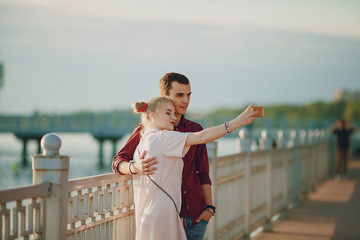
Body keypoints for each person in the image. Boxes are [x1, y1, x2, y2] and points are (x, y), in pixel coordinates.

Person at [129, 96, 257, 240]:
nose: (173, 117)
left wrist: (131, 167)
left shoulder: (143, 141)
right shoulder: (163, 138)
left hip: (148, 214)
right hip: (163, 214)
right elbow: (202, 137)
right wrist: (236, 123)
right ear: (151, 115)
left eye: (173, 113)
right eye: (168, 113)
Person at [112, 73, 213, 240]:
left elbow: (203, 173)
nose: (185, 101)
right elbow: (118, 161)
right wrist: (134, 167)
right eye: (179, 95)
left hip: (195, 217)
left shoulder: (196, 128)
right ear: (164, 96)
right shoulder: (146, 129)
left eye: (188, 95)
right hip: (163, 218)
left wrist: (209, 208)